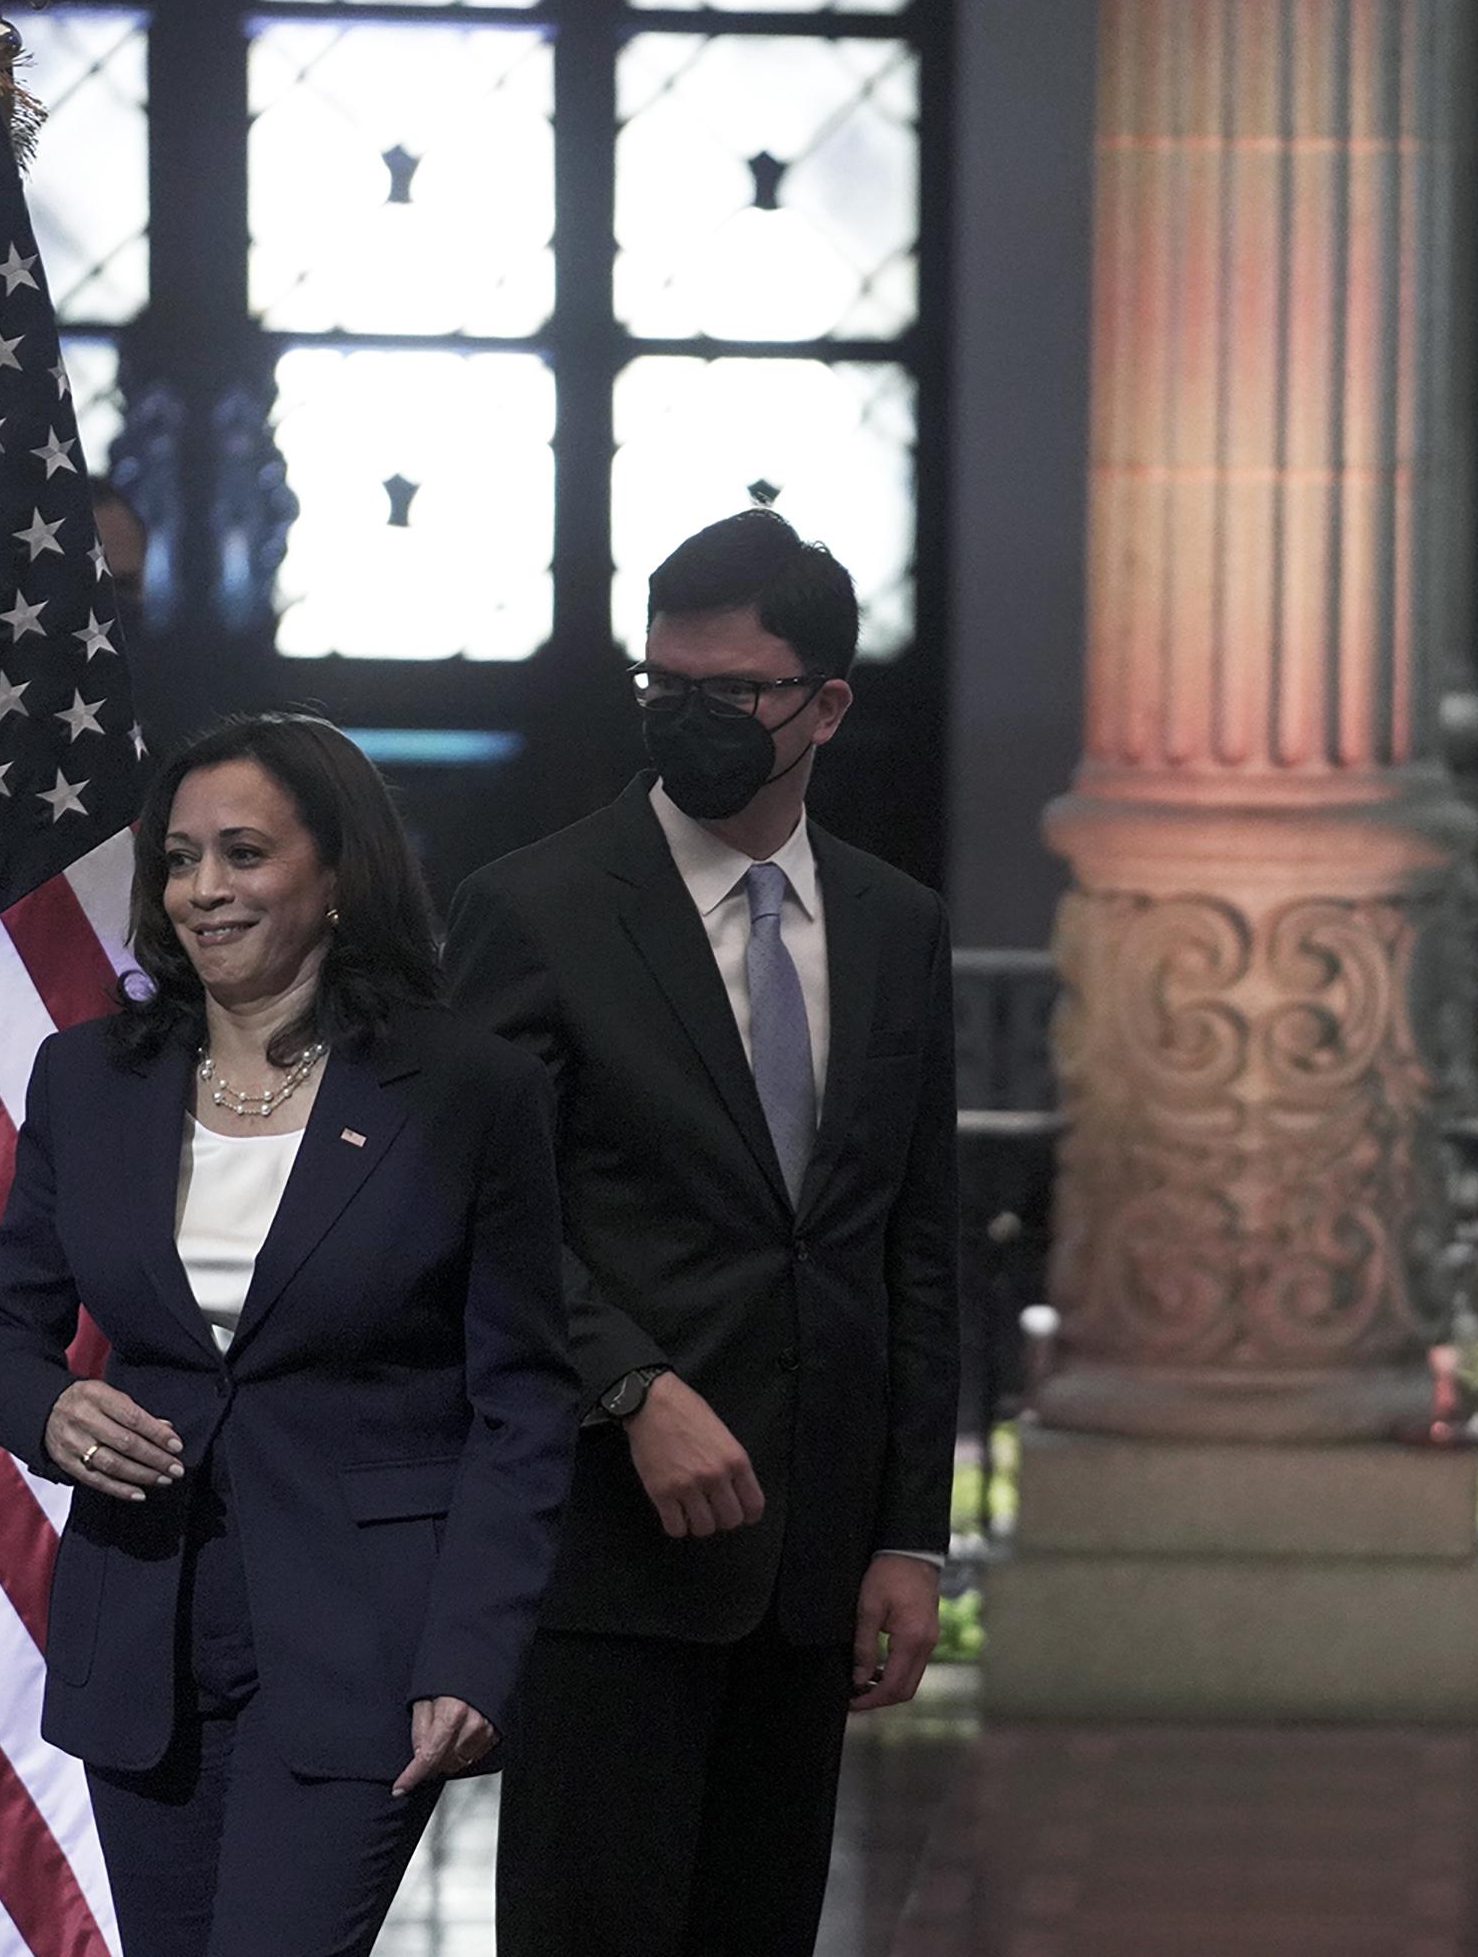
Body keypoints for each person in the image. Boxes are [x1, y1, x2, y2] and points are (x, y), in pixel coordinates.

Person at [0, 713, 578, 1957]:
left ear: (337, 873)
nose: (202, 889)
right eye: (180, 858)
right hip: (141, 1635)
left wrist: (474, 1646)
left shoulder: (468, 1090)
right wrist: (51, 1408)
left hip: (365, 1643)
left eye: (243, 851)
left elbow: (524, 1401)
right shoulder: (87, 1079)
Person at [446, 507, 960, 1956]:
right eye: (663, 686)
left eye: (729, 695)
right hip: (608, 1549)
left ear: (826, 705)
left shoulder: (893, 921)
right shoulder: (535, 908)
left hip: (808, 1567)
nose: (690, 718)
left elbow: (912, 1247)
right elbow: (475, 1204)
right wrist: (631, 1385)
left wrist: (910, 1535)